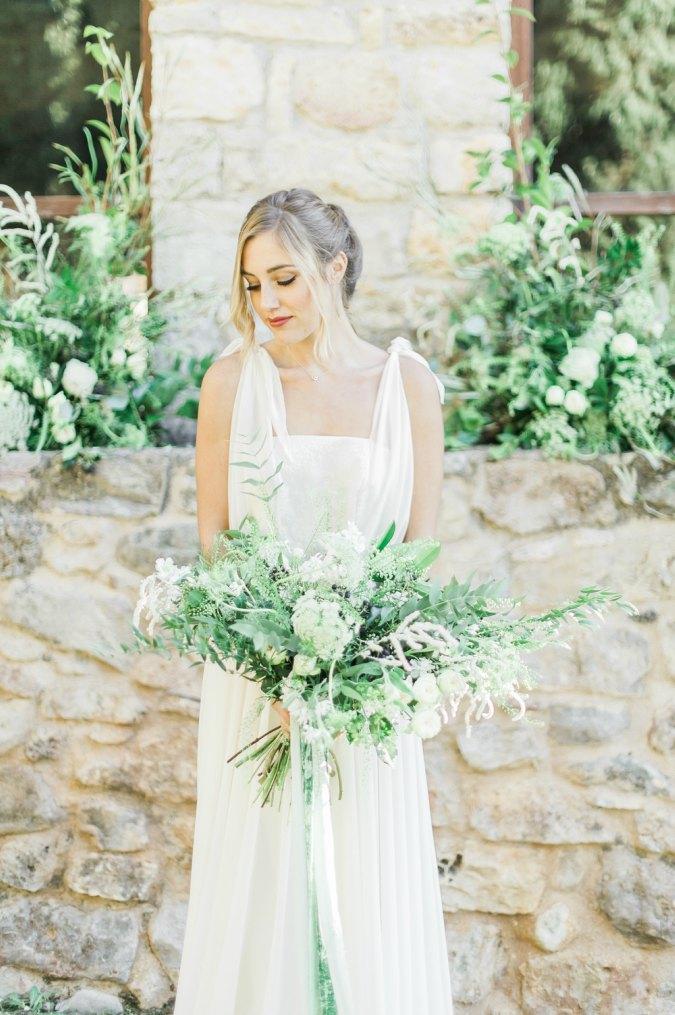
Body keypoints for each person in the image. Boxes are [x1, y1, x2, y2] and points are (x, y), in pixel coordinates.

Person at [172, 188, 453, 1014]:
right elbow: (217, 541)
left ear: (336, 268)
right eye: (253, 284)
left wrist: (352, 669)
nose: (269, 303)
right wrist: (278, 668)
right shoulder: (231, 382)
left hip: (368, 692)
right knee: (264, 881)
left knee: (365, 881)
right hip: (257, 687)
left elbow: (419, 554)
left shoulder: (408, 386)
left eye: (286, 278)